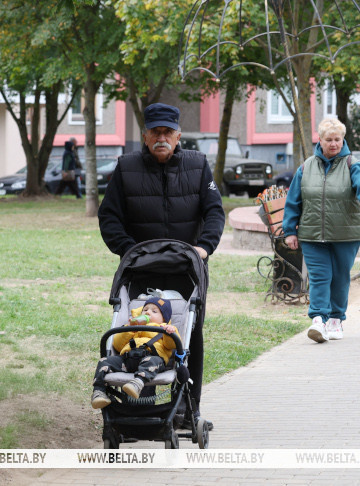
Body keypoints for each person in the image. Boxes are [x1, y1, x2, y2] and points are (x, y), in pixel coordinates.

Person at [98, 102, 225, 427]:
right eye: (155, 132)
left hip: (187, 270)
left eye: (168, 132)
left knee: (188, 337)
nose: (161, 138)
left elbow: (214, 211)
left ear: (178, 135)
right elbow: (109, 216)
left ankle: (188, 410)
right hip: (141, 271)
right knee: (137, 334)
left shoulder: (198, 165)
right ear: (145, 135)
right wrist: (129, 250)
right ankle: (139, 409)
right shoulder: (126, 168)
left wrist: (204, 248)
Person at [282, 118, 360, 343]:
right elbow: (293, 201)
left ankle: (336, 319)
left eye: (337, 139)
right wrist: (290, 231)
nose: (333, 144)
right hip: (312, 233)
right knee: (319, 277)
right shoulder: (306, 167)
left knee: (340, 277)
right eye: (329, 140)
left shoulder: (352, 165)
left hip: (346, 234)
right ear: (320, 140)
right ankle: (318, 319)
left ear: (343, 140)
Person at [91, 297, 178, 409]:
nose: (148, 312)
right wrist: (129, 330)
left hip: (151, 360)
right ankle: (99, 391)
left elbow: (172, 345)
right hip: (127, 360)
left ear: (164, 318)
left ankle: (137, 383)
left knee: (152, 361)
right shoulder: (132, 327)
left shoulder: (165, 329)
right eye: (145, 310)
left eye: (154, 311)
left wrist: (169, 332)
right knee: (104, 361)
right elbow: (117, 345)